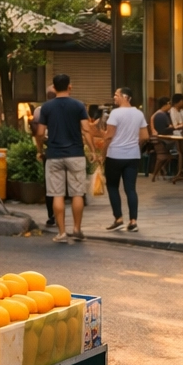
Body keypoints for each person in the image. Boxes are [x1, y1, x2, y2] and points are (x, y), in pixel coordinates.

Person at [33, 74, 88, 244]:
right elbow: (86, 129)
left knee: (57, 194)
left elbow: (40, 133)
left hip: (54, 155)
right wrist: (92, 149)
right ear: (69, 87)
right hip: (76, 154)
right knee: (77, 193)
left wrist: (40, 149)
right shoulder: (79, 105)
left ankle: (62, 233)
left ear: (54, 88)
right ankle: (77, 229)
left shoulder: (46, 108)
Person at [101, 88, 147, 232]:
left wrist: (103, 155)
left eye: (116, 95)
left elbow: (108, 136)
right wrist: (133, 142)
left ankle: (118, 218)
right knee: (130, 189)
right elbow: (145, 136)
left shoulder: (115, 113)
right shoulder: (139, 114)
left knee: (113, 187)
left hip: (115, 154)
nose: (114, 97)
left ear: (125, 97)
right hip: (132, 156)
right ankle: (133, 221)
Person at [29, 84, 57, 228]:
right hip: (69, 151)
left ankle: (52, 216)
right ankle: (60, 217)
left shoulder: (40, 110)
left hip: (49, 150)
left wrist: (39, 150)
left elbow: (37, 133)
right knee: (62, 187)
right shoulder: (68, 108)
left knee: (50, 186)